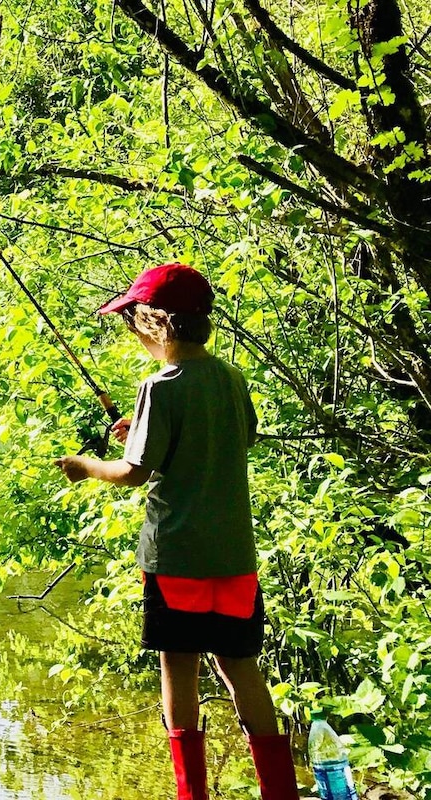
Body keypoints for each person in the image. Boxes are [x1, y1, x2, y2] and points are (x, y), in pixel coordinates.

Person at [53, 263, 299, 800]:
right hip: (235, 557)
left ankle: (192, 795)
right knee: (242, 669)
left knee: (179, 666)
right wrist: (141, 431)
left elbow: (133, 473)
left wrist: (85, 464)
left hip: (177, 557)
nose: (131, 333)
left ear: (155, 324)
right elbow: (236, 439)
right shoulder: (231, 378)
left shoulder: (158, 386)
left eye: (133, 322)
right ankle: (280, 792)